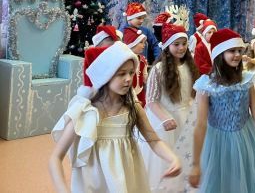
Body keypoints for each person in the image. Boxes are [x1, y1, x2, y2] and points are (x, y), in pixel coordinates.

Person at [49, 42, 181, 193]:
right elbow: (55, 158)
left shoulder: (133, 108)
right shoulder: (84, 113)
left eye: (131, 73)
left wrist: (173, 158)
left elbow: (154, 141)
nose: (128, 79)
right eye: (121, 74)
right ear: (105, 75)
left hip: (126, 181)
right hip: (93, 184)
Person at [188, 28, 255, 193]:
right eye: (232, 51)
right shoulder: (206, 85)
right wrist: (195, 163)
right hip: (218, 143)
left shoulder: (246, 80)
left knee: (248, 179)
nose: (237, 55)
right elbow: (201, 125)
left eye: (239, 50)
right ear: (219, 54)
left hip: (246, 138)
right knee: (221, 182)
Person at [142, 23, 200, 191]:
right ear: (167, 46)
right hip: (165, 120)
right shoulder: (158, 69)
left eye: (184, 44)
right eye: (176, 44)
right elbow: (151, 100)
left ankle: (183, 186)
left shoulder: (189, 66)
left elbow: (192, 93)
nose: (181, 48)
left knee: (187, 155)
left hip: (187, 117)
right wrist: (165, 118)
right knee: (167, 159)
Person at [122, 27, 149, 106]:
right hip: (128, 92)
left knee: (142, 108)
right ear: (132, 43)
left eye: (144, 42)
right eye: (141, 42)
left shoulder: (143, 60)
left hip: (140, 91)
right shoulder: (125, 60)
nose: (144, 45)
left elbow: (145, 75)